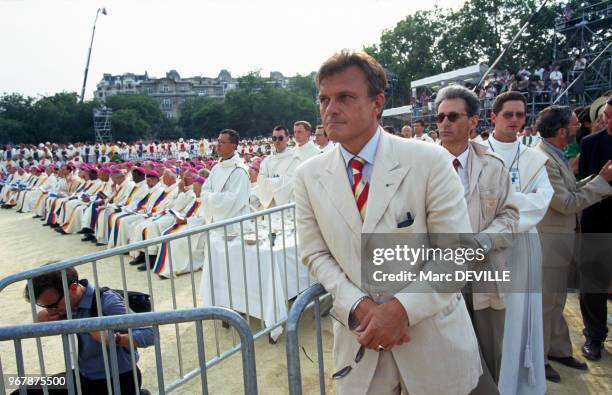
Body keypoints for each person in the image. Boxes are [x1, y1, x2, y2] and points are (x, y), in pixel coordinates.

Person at [294, 50, 481, 395]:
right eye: (324, 99)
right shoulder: (307, 176)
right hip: (359, 343)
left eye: (345, 97)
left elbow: (457, 254)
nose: (330, 109)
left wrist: (401, 310)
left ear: (377, 102)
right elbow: (314, 253)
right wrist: (358, 304)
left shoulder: (429, 161)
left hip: (432, 344)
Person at [437, 85, 519, 395]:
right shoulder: (420, 165)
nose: (445, 123)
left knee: (488, 355)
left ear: (473, 122)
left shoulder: (493, 166)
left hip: (485, 275)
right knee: (443, 358)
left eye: (453, 116)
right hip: (438, 278)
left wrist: (483, 240)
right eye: (440, 116)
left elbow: (510, 217)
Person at [534, 105, 612, 382]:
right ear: (561, 131)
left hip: (561, 238)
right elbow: (566, 203)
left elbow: (571, 190)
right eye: (575, 124)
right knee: (547, 302)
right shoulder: (543, 159)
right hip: (551, 240)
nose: (581, 126)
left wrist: (595, 179)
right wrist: (602, 182)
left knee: (556, 300)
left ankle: (557, 350)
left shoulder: (554, 154)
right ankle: (539, 358)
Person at [486, 92, 553, 395]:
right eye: (508, 114)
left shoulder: (534, 158)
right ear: (493, 117)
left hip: (522, 247)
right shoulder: (476, 152)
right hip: (485, 248)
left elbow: (542, 202)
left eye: (520, 115)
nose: (515, 121)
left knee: (520, 315)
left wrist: (499, 209)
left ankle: (517, 385)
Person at [19, 267, 154, 395]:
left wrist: (114, 338)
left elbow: (150, 334)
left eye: (52, 306)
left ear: (72, 288)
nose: (49, 311)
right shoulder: (66, 305)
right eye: (43, 306)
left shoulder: (106, 302)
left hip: (118, 380)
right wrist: (40, 318)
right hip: (83, 375)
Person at [577, 95, 612, 361]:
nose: (606, 122)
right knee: (592, 284)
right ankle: (594, 335)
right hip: (596, 222)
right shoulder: (590, 143)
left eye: (610, 117)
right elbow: (584, 185)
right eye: (605, 116)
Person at [254, 126, 297, 208]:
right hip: (269, 205)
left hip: (287, 206)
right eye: (274, 138)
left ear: (287, 138)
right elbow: (261, 180)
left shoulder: (294, 158)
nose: (277, 141)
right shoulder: (267, 160)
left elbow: (290, 183)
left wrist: (269, 181)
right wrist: (278, 181)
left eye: (280, 138)